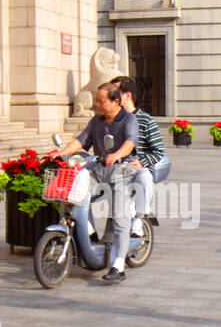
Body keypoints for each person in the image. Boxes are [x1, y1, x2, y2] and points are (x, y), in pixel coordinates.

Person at [48, 60, 138, 283]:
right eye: (96, 100)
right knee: (75, 190)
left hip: (121, 171)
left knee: (119, 217)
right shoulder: (96, 120)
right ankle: (87, 230)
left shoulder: (129, 119)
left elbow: (130, 143)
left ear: (116, 102)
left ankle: (118, 266)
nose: (96, 104)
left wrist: (116, 155)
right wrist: (61, 152)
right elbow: (81, 140)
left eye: (100, 101)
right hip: (99, 169)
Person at [118, 79, 167, 235]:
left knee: (145, 176)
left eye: (115, 93)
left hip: (136, 170)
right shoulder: (112, 120)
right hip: (116, 171)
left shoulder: (145, 120)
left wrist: (142, 162)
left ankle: (139, 219)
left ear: (127, 95)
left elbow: (158, 150)